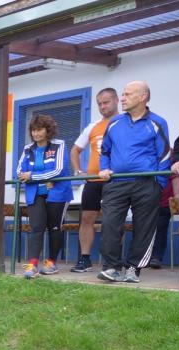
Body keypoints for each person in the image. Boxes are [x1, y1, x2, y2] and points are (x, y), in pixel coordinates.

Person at [97, 81, 171, 283]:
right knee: (110, 224)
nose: (122, 98)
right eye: (123, 94)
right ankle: (111, 268)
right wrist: (104, 168)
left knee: (144, 227)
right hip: (116, 183)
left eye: (128, 94)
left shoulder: (157, 122)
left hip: (146, 184)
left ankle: (133, 269)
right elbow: (105, 150)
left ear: (143, 97)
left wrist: (158, 183)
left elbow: (165, 155)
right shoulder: (114, 123)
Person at [16, 115, 73, 279]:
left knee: (54, 228)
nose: (36, 133)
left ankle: (51, 262)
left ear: (48, 130)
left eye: (39, 129)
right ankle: (33, 264)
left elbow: (59, 170)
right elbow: (20, 172)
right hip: (35, 194)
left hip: (58, 193)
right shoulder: (28, 148)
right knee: (36, 228)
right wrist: (45, 178)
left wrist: (33, 176)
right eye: (33, 130)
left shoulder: (59, 145)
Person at [69, 87, 120, 272]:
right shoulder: (93, 126)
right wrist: (78, 171)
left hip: (116, 181)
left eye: (106, 102)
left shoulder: (125, 123)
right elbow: (75, 150)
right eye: (99, 104)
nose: (102, 106)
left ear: (116, 101)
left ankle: (111, 262)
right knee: (86, 218)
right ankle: (85, 259)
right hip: (93, 181)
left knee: (113, 220)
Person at [149, 131, 179, 267]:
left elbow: (175, 177)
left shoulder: (171, 154)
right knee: (144, 229)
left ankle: (156, 258)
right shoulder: (145, 153)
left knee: (161, 228)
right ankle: (142, 258)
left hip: (164, 202)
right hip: (145, 201)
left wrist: (178, 196)